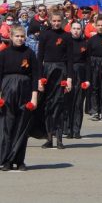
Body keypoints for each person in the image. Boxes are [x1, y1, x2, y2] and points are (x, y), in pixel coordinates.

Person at [0, 25, 38, 171]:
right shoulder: (4, 54)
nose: (20, 39)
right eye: (17, 36)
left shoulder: (29, 53)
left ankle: (19, 160)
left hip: (25, 90)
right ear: (11, 37)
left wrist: (34, 97)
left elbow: (35, 75)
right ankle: (6, 160)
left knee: (22, 125)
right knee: (7, 126)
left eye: (22, 36)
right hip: (8, 90)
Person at [38, 11, 73, 149]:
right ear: (50, 21)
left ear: (62, 21)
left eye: (59, 21)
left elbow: (70, 59)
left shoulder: (67, 36)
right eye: (54, 21)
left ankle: (59, 139)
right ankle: (48, 138)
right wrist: (40, 78)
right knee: (47, 105)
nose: (56, 23)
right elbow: (39, 58)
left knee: (59, 104)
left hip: (61, 71)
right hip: (47, 71)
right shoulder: (45, 35)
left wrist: (69, 78)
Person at [63, 22, 89, 139]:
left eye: (78, 29)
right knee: (68, 102)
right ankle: (68, 129)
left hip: (81, 74)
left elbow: (88, 63)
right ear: (70, 30)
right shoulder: (66, 43)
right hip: (69, 73)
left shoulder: (85, 43)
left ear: (82, 30)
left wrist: (87, 79)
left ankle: (76, 130)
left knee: (78, 103)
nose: (76, 31)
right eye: (74, 28)